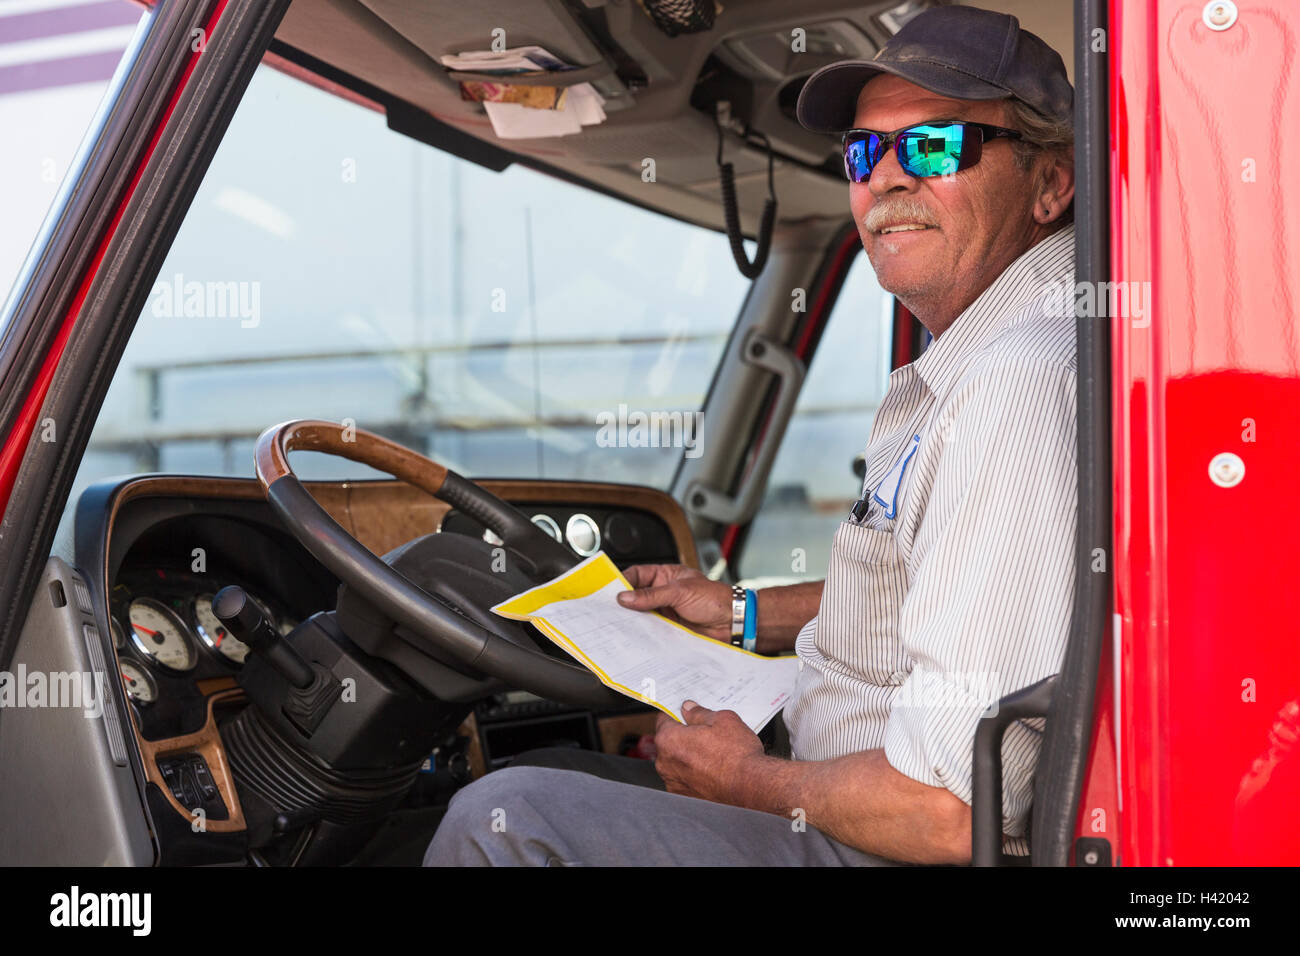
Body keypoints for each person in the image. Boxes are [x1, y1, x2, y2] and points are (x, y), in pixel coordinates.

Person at [425, 4, 1078, 866]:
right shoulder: (992, 357)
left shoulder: (1018, 381)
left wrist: (747, 781)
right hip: (847, 789)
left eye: (932, 145)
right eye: (863, 151)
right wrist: (739, 611)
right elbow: (943, 582)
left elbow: (948, 813)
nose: (884, 178)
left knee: (502, 816)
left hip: (889, 844)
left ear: (1050, 183)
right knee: (548, 769)